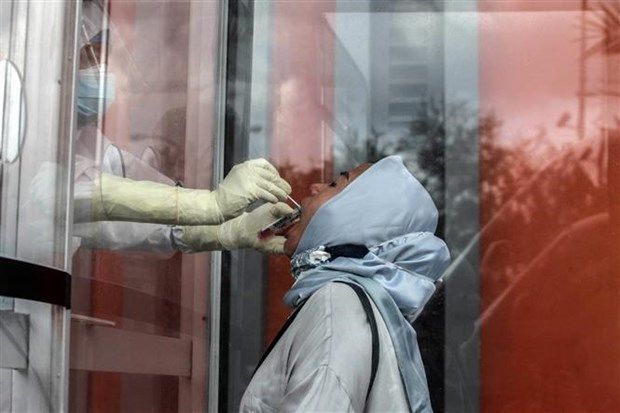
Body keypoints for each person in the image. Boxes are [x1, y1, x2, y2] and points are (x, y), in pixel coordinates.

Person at [30, 24, 294, 257]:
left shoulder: (91, 147)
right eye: (90, 57)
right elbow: (63, 194)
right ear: (53, 62)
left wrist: (230, 231)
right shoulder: (23, 129)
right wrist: (210, 204)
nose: (105, 74)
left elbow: (135, 221)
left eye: (103, 59)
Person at [240, 155, 451, 412]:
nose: (314, 187)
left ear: (355, 217)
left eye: (333, 184)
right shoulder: (362, 303)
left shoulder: (337, 304)